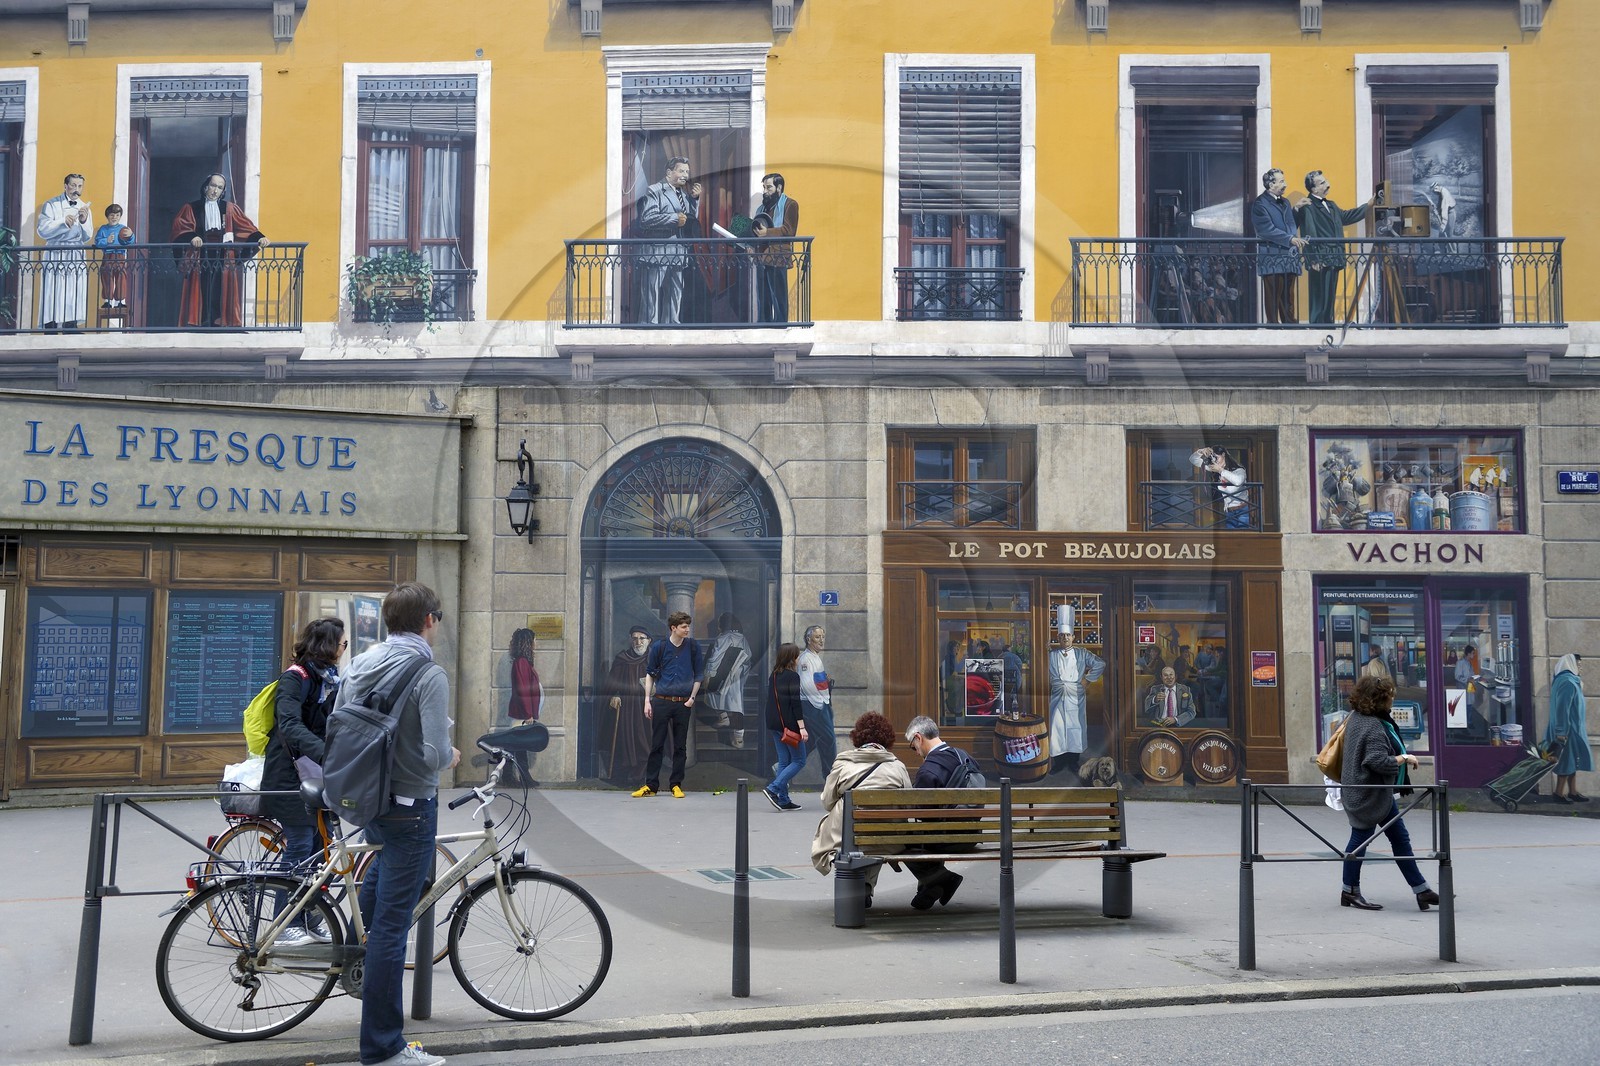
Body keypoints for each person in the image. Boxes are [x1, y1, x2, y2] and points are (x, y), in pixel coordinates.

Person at [340, 583, 458, 1066]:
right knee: (392, 929)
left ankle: (352, 970)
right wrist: (449, 753)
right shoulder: (429, 673)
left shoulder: (363, 663)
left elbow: (341, 721)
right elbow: (432, 754)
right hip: (410, 807)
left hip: (368, 798)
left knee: (373, 896)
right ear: (429, 619)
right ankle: (383, 1046)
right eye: (439, 617)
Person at [263, 617, 346, 948]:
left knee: (320, 849)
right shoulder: (294, 679)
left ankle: (309, 916)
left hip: (312, 774)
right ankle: (283, 924)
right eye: (342, 643)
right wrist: (327, 753)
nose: (343, 649)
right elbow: (289, 725)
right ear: (327, 645)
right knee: (300, 844)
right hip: (287, 774)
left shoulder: (327, 681)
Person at [1337, 674, 1441, 913]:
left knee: (1399, 838)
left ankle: (1422, 890)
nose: (1393, 699)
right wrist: (1404, 757)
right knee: (1359, 841)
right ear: (1379, 699)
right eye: (1390, 695)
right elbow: (1377, 761)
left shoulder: (1356, 717)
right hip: (1368, 794)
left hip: (1371, 792)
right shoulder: (1373, 725)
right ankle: (1349, 891)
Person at [809, 712, 913, 910]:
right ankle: (865, 885)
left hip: (847, 839)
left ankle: (859, 885)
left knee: (858, 835)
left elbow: (827, 801)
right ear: (887, 738)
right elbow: (908, 807)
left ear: (858, 737)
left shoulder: (844, 764)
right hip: (890, 841)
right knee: (876, 839)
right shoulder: (898, 767)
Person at [169, 173, 269, 328]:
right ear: (205, 187)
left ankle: (219, 321)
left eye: (219, 187)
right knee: (202, 289)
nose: (215, 190)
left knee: (220, 290)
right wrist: (192, 237)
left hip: (223, 255)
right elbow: (181, 227)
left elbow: (245, 227)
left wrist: (259, 237)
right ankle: (200, 322)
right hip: (200, 256)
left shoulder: (229, 208)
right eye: (213, 185)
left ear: (223, 191)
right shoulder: (191, 208)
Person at [633, 610, 705, 798]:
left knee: (680, 746)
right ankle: (651, 785)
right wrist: (647, 700)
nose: (687, 629)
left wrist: (692, 698)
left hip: (683, 704)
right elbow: (650, 673)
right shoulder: (659, 647)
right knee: (657, 744)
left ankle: (676, 784)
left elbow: (699, 675)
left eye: (688, 626)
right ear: (674, 628)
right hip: (661, 702)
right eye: (683, 626)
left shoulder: (693, 647)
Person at [1295, 171, 1380, 325]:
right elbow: (1309, 232)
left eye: (1326, 180)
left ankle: (1328, 327)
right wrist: (1313, 258)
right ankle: (1317, 330)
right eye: (1322, 183)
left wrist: (1368, 205)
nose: (1327, 184)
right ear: (1313, 189)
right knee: (1319, 298)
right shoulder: (1308, 206)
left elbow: (1346, 217)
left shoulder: (1332, 205)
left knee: (1329, 298)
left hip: (1335, 256)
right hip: (1320, 257)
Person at [902, 715, 970, 909]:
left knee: (898, 836)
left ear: (918, 738)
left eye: (912, 746)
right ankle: (929, 889)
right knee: (931, 829)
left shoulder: (928, 770)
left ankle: (943, 879)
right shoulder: (964, 757)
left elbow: (921, 815)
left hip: (945, 840)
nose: (915, 752)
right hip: (969, 836)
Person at [635, 157, 702, 325]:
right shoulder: (655, 190)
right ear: (669, 173)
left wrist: (695, 200)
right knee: (652, 291)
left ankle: (672, 323)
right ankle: (649, 325)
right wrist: (673, 218)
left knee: (675, 291)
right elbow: (646, 218)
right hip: (658, 250)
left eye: (687, 172)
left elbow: (690, 221)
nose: (685, 175)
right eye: (681, 171)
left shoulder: (685, 195)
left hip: (678, 252)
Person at [1248, 167, 1306, 324]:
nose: (1285, 184)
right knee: (1273, 294)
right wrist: (1290, 239)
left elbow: (1289, 224)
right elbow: (1266, 230)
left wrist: (1296, 209)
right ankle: (1273, 324)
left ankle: (1290, 322)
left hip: (1289, 256)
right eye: (1281, 181)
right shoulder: (1260, 203)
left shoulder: (1286, 202)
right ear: (1270, 184)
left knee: (1288, 294)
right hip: (1271, 257)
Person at [36, 173, 92, 330]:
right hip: (56, 251)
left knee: (73, 291)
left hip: (75, 252)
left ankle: (70, 326)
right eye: (73, 185)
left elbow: (87, 236)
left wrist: (83, 221)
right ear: (65, 186)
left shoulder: (84, 207)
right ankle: (51, 327)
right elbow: (42, 230)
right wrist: (62, 222)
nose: (76, 190)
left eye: (79, 186)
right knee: (53, 291)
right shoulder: (51, 205)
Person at [1047, 629, 1105, 779]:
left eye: (1068, 635)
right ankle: (1058, 762)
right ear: (1058, 638)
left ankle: (1073, 761)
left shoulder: (1082, 653)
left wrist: (1088, 679)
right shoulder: (1052, 655)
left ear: (1073, 637)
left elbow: (1100, 663)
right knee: (1057, 727)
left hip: (1075, 694)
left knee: (1075, 726)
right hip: (1058, 694)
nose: (1065, 638)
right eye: (1062, 635)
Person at [762, 641, 809, 811]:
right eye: (797, 655)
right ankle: (773, 788)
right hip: (788, 725)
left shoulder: (774, 675)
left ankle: (783, 800)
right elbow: (795, 703)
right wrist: (802, 728)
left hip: (774, 724)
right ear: (792, 658)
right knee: (799, 760)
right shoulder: (793, 676)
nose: (798, 658)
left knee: (784, 761)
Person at [605, 626, 653, 784]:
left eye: (641, 638)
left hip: (650, 706)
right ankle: (633, 774)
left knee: (649, 738)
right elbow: (612, 683)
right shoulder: (622, 659)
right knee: (631, 739)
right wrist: (615, 695)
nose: (638, 642)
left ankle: (647, 772)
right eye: (634, 638)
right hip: (629, 708)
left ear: (649, 641)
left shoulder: (655, 658)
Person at [752, 172, 798, 323]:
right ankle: (763, 326)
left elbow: (788, 230)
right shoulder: (761, 209)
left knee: (779, 298)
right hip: (761, 258)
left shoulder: (790, 204)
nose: (765, 191)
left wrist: (767, 233)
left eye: (769, 187)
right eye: (764, 187)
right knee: (762, 298)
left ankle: (780, 328)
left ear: (779, 188)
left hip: (778, 257)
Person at [702, 611, 753, 748]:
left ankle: (731, 728)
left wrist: (708, 674)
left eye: (719, 623)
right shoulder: (742, 638)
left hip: (725, 674)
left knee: (712, 694)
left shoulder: (723, 638)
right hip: (738, 676)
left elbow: (715, 658)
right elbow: (748, 656)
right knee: (734, 703)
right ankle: (734, 731)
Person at [1545, 654, 1591, 803]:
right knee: (1566, 761)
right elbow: (1562, 709)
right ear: (1570, 664)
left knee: (1572, 760)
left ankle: (1572, 791)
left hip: (1572, 729)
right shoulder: (1568, 682)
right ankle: (1559, 793)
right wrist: (1561, 732)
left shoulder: (1563, 680)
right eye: (1578, 664)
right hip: (1568, 730)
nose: (1580, 667)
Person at [798, 624, 837, 777]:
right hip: (813, 706)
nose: (821, 640)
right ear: (809, 639)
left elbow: (816, 681)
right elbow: (807, 685)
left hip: (819, 704)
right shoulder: (806, 659)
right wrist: (820, 704)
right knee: (828, 739)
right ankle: (830, 775)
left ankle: (783, 765)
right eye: (817, 637)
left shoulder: (815, 657)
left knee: (812, 740)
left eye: (822, 637)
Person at [505, 627, 542, 786]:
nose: (536, 643)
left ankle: (514, 777)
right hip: (521, 713)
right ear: (528, 642)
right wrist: (528, 714)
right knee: (516, 746)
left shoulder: (523, 662)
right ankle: (517, 777)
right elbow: (523, 689)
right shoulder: (522, 662)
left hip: (522, 712)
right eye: (534, 640)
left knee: (517, 746)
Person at [93, 203, 135, 312]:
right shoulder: (103, 229)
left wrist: (131, 235)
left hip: (120, 255)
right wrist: (106, 240)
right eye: (112, 215)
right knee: (107, 278)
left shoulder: (123, 228)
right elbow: (97, 242)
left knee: (121, 277)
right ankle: (107, 300)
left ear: (120, 216)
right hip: (108, 256)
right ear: (107, 216)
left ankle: (119, 302)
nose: (114, 218)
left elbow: (130, 242)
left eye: (117, 215)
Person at [1201, 448, 1250, 530]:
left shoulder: (1239, 470)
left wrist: (1221, 470)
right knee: (1230, 537)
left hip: (1242, 509)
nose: (1216, 461)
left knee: (1242, 536)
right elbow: (1194, 461)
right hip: (1229, 511)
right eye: (1213, 458)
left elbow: (1238, 482)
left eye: (1217, 457)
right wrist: (1201, 451)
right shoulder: (1219, 472)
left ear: (1223, 455)